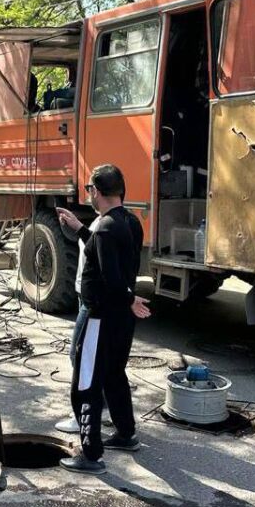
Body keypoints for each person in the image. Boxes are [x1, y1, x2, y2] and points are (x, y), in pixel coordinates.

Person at [55, 164, 150, 474]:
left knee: (85, 385)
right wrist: (80, 229)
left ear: (96, 191)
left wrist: (128, 298)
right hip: (120, 319)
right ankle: (126, 433)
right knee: (114, 376)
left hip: (100, 317)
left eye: (89, 190)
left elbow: (110, 277)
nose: (89, 196)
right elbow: (106, 253)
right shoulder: (129, 222)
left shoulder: (105, 227)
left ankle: (91, 454)